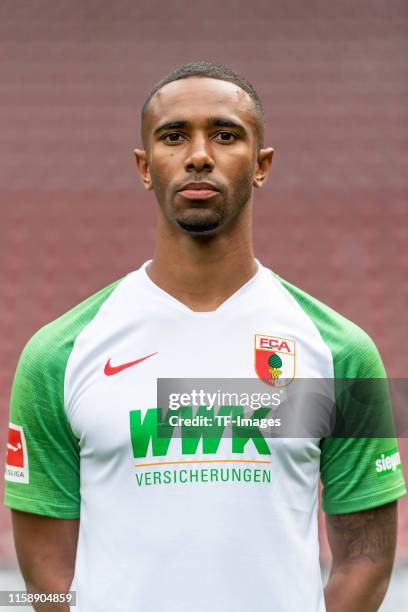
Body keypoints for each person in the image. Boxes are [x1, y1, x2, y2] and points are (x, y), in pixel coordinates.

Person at [4, 61, 406, 612]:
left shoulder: (340, 351)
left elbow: (367, 555)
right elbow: (45, 570)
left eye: (224, 135)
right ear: (145, 167)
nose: (198, 155)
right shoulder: (59, 354)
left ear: (261, 164)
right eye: (174, 137)